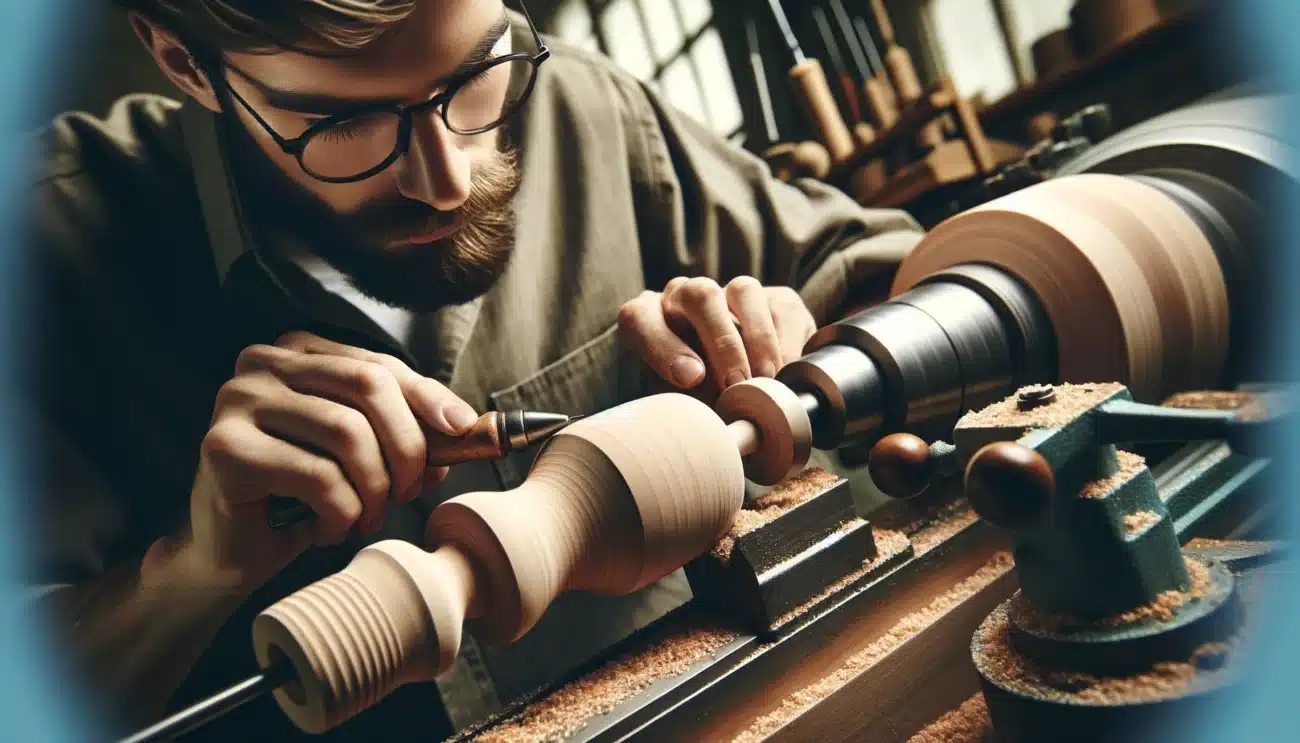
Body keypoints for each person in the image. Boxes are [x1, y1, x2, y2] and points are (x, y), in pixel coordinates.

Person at [23, 0, 925, 740]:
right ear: (184, 63)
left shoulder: (581, 106)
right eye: (347, 121)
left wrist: (786, 336)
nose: (447, 177)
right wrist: (188, 572)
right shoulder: (46, 257)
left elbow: (890, 266)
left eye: (474, 72)